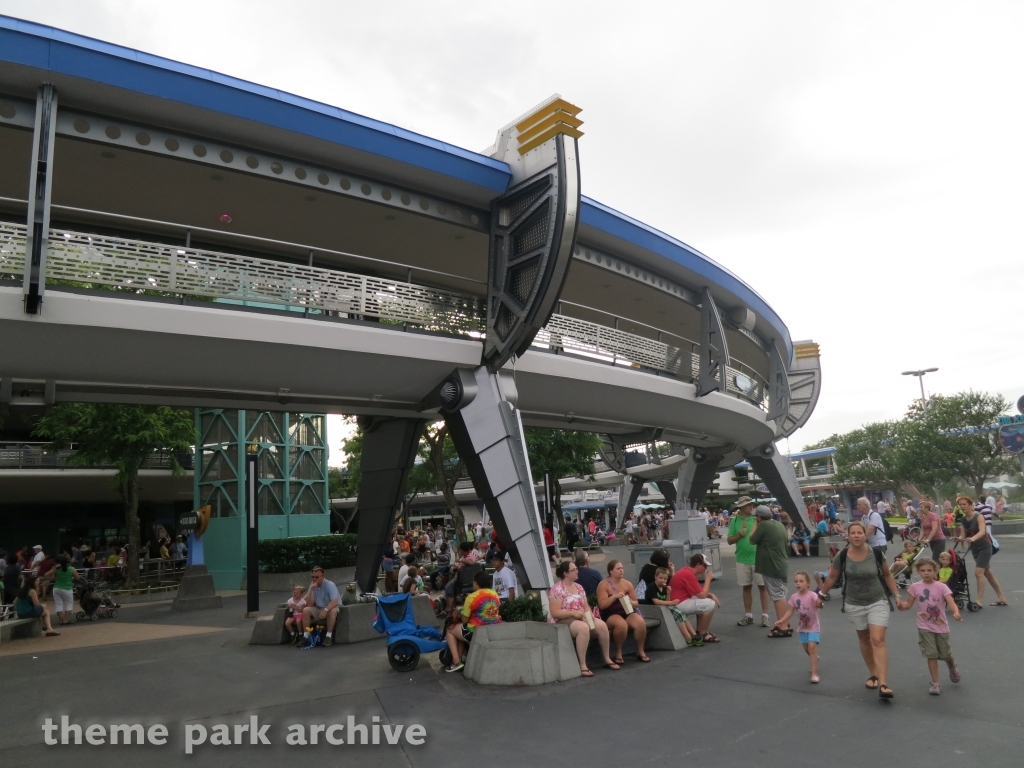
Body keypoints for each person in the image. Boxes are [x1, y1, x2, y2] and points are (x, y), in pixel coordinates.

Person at [819, 521, 901, 699]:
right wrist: (820, 595)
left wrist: (897, 595)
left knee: (877, 639)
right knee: (864, 639)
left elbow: (887, 575)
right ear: (848, 536)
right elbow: (833, 576)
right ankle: (873, 673)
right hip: (854, 602)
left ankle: (884, 683)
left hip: (877, 600)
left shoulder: (876, 554)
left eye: (860, 532)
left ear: (865, 535)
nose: (856, 535)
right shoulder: (842, 555)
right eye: (853, 533)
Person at [897, 557, 962, 695]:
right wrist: (903, 606)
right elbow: (909, 604)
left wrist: (956, 612)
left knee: (945, 654)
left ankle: (952, 667)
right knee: (931, 654)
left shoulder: (941, 586)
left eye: (929, 570)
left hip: (941, 626)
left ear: (935, 571)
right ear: (918, 571)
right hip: (924, 625)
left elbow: (950, 601)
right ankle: (936, 683)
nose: (926, 573)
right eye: (922, 570)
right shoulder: (915, 587)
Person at [548, 560, 618, 676]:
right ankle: (582, 664)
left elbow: (586, 606)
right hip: (564, 618)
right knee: (583, 628)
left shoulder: (579, 587)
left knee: (602, 626)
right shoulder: (557, 589)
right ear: (565, 573)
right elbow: (555, 612)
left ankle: (606, 658)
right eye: (573, 570)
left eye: (576, 569)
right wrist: (574, 613)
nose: (577, 571)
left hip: (580, 616)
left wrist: (589, 614)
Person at [954, 495, 1008, 606]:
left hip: (985, 546)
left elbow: (982, 531)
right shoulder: (963, 519)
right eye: (960, 505)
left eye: (964, 504)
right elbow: (963, 535)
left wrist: (973, 538)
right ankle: (1001, 597)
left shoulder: (979, 516)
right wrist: (959, 539)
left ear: (970, 505)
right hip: (975, 548)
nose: (962, 506)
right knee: (987, 572)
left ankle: (979, 600)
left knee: (978, 573)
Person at [444, 570, 500, 673]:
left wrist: (459, 612)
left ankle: (456, 661)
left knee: (450, 629)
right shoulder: (494, 594)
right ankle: (459, 659)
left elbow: (465, 620)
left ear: (477, 583)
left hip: (474, 631)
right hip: (492, 629)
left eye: (473, 581)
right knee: (459, 630)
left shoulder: (471, 597)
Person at [728, 496, 771, 628]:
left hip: (759, 558)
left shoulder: (757, 519)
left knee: (763, 587)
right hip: (742, 559)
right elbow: (730, 540)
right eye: (747, 505)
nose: (751, 506)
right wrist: (740, 535)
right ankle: (749, 616)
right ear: (740, 507)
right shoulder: (735, 521)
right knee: (746, 587)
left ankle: (765, 616)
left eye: (751, 504)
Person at [749, 505, 792, 637]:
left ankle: (783, 626)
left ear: (759, 517)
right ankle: (783, 622)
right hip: (781, 563)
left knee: (777, 595)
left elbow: (751, 539)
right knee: (780, 592)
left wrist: (756, 524)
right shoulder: (779, 525)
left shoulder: (764, 525)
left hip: (771, 565)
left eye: (756, 517)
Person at [775, 571, 824, 683]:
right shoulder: (794, 597)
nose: (798, 583)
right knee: (807, 649)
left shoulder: (812, 595)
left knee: (811, 647)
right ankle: (815, 659)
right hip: (802, 627)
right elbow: (790, 610)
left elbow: (820, 605)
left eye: (801, 581)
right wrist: (782, 620)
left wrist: (820, 604)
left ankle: (814, 673)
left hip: (814, 627)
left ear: (808, 583)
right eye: (796, 581)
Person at [597, 560, 649, 663]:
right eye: (618, 568)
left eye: (622, 568)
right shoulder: (603, 584)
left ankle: (640, 650)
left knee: (640, 622)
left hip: (627, 611)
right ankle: (618, 651)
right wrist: (614, 597)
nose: (621, 570)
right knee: (621, 625)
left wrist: (633, 603)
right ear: (611, 571)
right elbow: (602, 605)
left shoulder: (627, 584)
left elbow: (636, 601)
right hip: (611, 614)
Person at [668, 553, 720, 644]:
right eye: (705, 566)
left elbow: (698, 592)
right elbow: (702, 595)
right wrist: (708, 579)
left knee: (703, 602)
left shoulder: (687, 571)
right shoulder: (689, 574)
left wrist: (710, 594)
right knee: (710, 604)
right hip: (678, 603)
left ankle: (699, 630)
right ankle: (703, 633)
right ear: (698, 565)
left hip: (677, 601)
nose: (706, 569)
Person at [643, 565, 698, 646]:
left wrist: (668, 593)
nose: (662, 580)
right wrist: (672, 603)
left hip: (662, 608)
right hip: (653, 609)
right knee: (677, 614)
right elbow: (656, 602)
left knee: (681, 613)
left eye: (664, 579)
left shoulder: (664, 587)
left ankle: (694, 635)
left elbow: (666, 601)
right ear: (655, 577)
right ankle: (688, 637)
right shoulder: (651, 587)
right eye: (660, 578)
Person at [299, 567, 341, 647]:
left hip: (332, 606)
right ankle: (306, 636)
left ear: (323, 576)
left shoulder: (330, 585)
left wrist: (325, 610)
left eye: (317, 577)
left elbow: (335, 601)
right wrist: (311, 590)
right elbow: (310, 604)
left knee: (331, 611)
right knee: (306, 610)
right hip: (319, 608)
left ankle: (328, 637)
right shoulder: (312, 586)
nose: (314, 579)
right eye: (313, 577)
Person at [50, 555, 78, 625]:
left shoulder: (56, 569)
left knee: (58, 604)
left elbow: (53, 577)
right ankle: (65, 619)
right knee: (69, 604)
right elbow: (77, 578)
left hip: (56, 587)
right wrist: (71, 578)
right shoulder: (72, 569)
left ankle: (60, 620)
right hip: (67, 588)